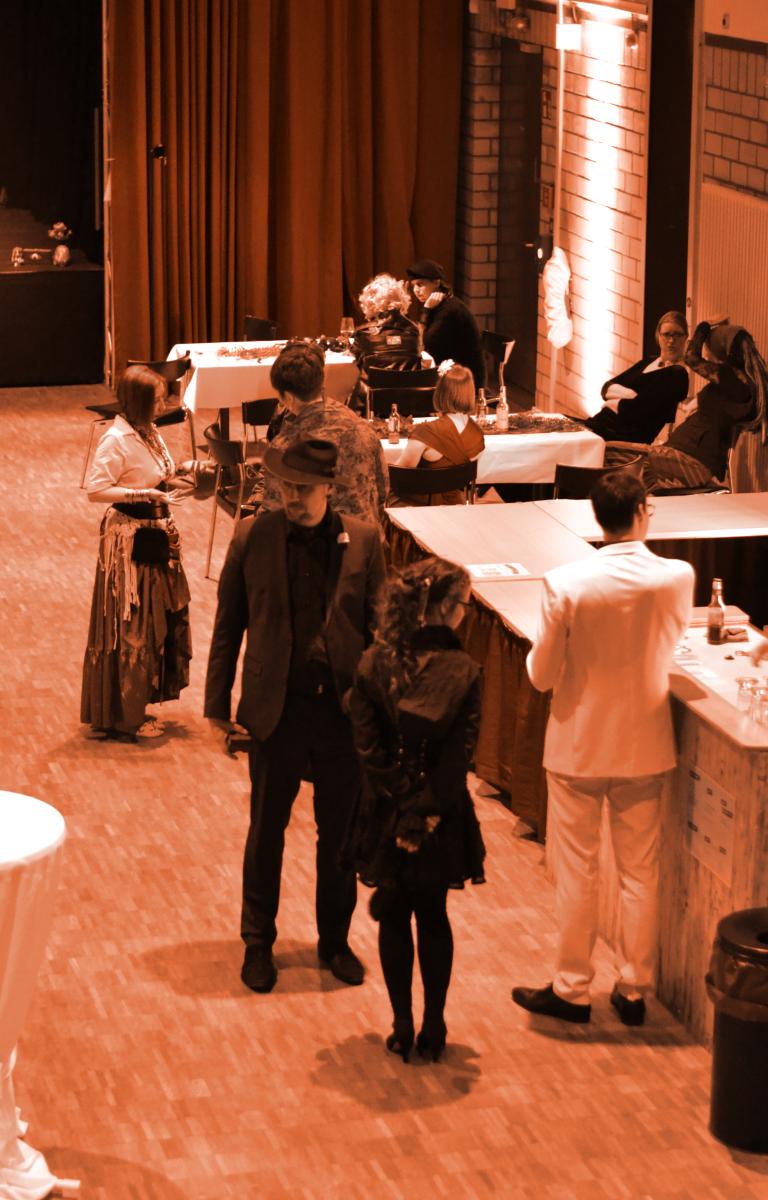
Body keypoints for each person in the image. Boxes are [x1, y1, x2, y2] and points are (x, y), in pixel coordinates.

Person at [205, 436, 386, 994]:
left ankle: (334, 942)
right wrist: (216, 707)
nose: (292, 497)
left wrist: (382, 712)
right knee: (266, 833)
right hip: (275, 712)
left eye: (304, 488)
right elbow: (229, 625)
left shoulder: (365, 540)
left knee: (338, 838)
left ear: (328, 487)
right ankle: (257, 943)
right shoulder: (251, 535)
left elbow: (379, 631)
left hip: (340, 714)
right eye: (286, 485)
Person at [512, 473, 693, 1026]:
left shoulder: (566, 583)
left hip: (579, 745)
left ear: (596, 516)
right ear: (640, 510)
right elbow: (673, 641)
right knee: (641, 872)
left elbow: (542, 676)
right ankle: (634, 989)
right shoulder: (677, 576)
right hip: (645, 743)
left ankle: (572, 988)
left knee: (579, 873)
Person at [343, 558, 486, 1062]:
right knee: (432, 913)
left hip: (384, 810)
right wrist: (424, 812)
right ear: (444, 608)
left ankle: (401, 1023)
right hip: (439, 817)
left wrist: (401, 806)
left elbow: (370, 751)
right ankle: (435, 1024)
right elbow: (458, 757)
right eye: (464, 604)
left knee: (394, 913)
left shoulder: (372, 663)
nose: (466, 612)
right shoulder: (464, 671)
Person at [81, 365, 192, 741]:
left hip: (155, 537)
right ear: (140, 402)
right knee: (135, 628)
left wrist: (188, 472)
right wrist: (142, 494)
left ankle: (135, 703)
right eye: (158, 400)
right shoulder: (116, 440)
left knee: (154, 622)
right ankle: (125, 714)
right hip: (130, 547)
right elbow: (96, 490)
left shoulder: (149, 432)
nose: (164, 405)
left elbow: (160, 473)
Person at [605, 318, 764, 491]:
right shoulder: (734, 384)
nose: (707, 353)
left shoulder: (732, 379)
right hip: (681, 454)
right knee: (629, 467)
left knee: (609, 451)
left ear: (722, 350)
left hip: (692, 461)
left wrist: (704, 326)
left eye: (710, 347)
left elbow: (691, 358)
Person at [255, 340, 389, 525]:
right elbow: (383, 492)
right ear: (320, 383)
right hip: (368, 537)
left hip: (321, 541)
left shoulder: (286, 447)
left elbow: (273, 512)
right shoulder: (361, 426)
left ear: (288, 397)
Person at [584, 311, 690, 444]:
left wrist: (612, 402)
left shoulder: (677, 374)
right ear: (658, 336)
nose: (671, 340)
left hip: (621, 437)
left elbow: (636, 412)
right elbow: (606, 388)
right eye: (667, 334)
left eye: (678, 335)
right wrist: (630, 395)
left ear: (686, 337)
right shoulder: (647, 362)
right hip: (599, 424)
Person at [390, 363, 485, 505]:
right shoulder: (478, 435)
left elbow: (399, 477)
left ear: (440, 393)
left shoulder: (425, 432)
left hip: (418, 508)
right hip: (456, 507)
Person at [407, 258, 484, 392]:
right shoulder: (441, 305)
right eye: (413, 285)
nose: (416, 290)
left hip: (465, 380)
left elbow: (424, 344)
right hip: (453, 372)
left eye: (420, 284)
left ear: (436, 282)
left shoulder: (449, 309)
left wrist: (426, 311)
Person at [353, 273, 422, 372]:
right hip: (412, 382)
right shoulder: (414, 330)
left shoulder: (363, 333)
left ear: (369, 301)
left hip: (376, 382)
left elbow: (353, 364)